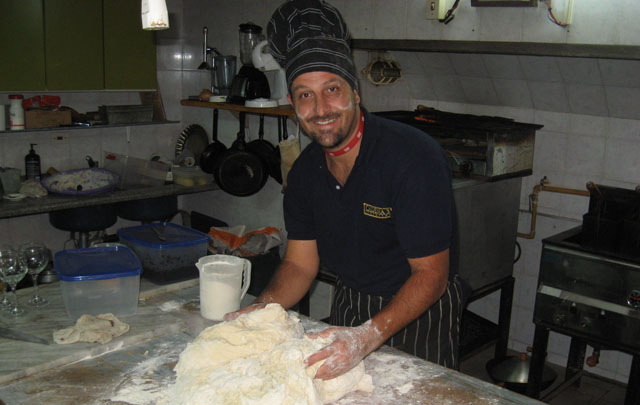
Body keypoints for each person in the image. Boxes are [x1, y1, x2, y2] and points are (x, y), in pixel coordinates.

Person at [225, 0, 465, 381]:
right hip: (351, 304)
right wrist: (261, 310)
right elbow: (301, 264)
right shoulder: (305, 174)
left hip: (420, 311)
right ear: (292, 104)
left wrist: (366, 337)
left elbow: (431, 275)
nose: (320, 107)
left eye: (332, 89)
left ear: (356, 93)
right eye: (305, 94)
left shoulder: (412, 158)